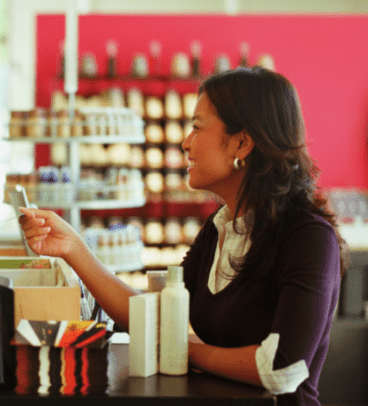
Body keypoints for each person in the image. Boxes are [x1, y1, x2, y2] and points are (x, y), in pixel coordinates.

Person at [19, 66, 346, 406]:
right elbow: (151, 319)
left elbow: (282, 368)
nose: (185, 142)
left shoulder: (308, 238)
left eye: (196, 127)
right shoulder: (219, 228)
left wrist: (185, 350)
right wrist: (73, 247)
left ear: (242, 143)